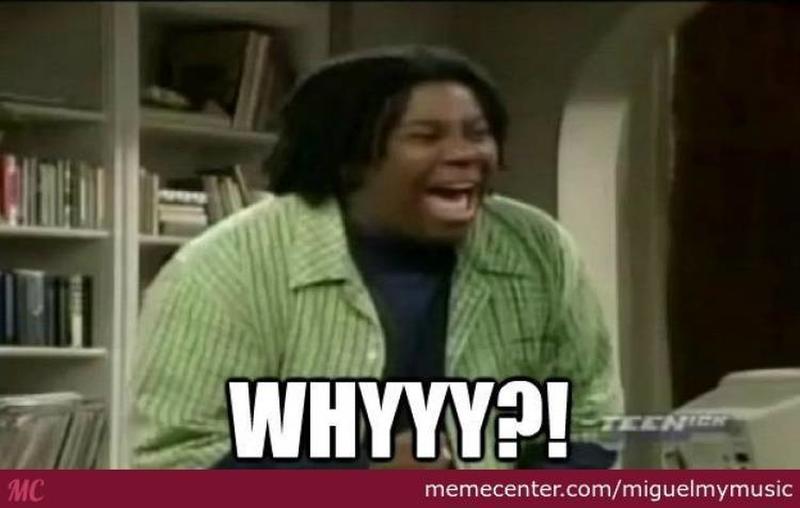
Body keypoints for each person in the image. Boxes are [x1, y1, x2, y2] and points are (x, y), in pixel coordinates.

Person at [130, 45, 623, 469]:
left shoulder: (539, 250)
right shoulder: (224, 270)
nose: (466, 154)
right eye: (426, 136)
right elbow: (175, 464)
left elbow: (591, 419)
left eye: (477, 134)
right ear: (350, 158)